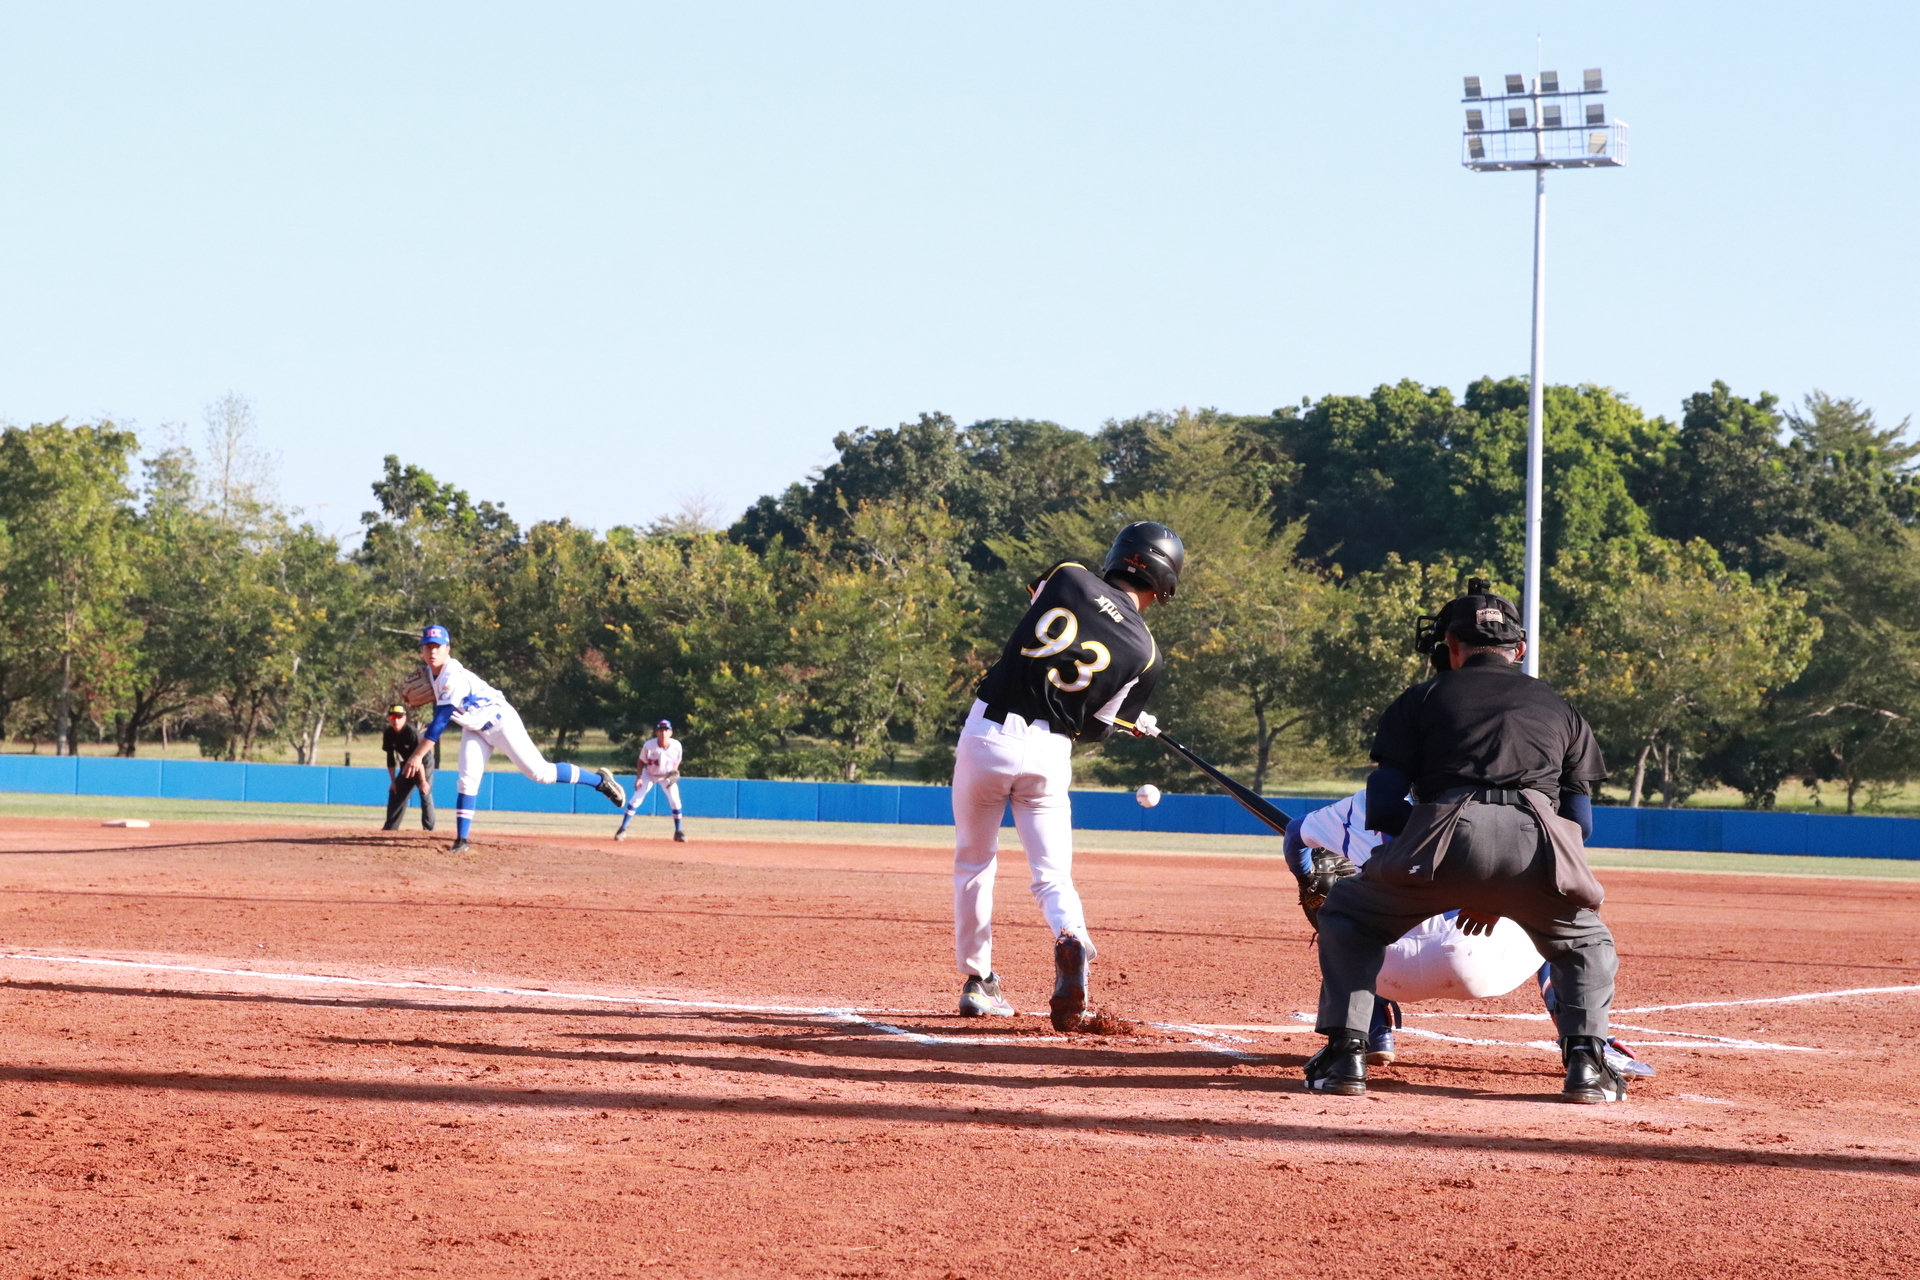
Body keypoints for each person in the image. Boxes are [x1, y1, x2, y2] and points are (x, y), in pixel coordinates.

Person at [1303, 581, 1630, 1103]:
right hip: (1538, 842)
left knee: (1347, 915)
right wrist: (1504, 883)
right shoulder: (1560, 707)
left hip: (1440, 837)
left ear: (1452, 648)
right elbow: (1580, 822)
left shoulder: (1421, 699)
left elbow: (1383, 807)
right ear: (1518, 650)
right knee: (1585, 942)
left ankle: (1346, 1057)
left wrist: (1439, 850)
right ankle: (1587, 1065)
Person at [952, 521, 1184, 1030]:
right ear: (1165, 582)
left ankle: (978, 982)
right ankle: (1071, 936)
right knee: (1052, 875)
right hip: (1050, 751)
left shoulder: (1068, 574)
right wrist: (1131, 723)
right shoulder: (1147, 655)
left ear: (1118, 555)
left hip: (987, 734)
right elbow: (1098, 728)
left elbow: (1045, 616)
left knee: (974, 862)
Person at [1288, 789, 1653, 1078]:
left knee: (1347, 918)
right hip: (1479, 959)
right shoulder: (1512, 801)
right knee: (1561, 922)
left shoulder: (1367, 800)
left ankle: (1367, 1029)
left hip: (1387, 969)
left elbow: (1294, 836)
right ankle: (1586, 1045)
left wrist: (1308, 880)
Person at [400, 625, 625, 852]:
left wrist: (417, 756)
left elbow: (439, 722)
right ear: (422, 651)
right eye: (428, 647)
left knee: (542, 773)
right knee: (467, 780)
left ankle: (600, 781)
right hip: (474, 728)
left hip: (500, 722)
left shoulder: (452, 676)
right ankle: (462, 840)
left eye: (438, 646)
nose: (433, 651)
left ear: (448, 648)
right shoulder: (430, 673)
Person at [614, 719, 686, 843]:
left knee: (675, 801)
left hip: (666, 776)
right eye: (661, 730)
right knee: (636, 799)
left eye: (666, 730)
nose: (663, 733)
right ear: (656, 732)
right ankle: (622, 829)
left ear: (671, 732)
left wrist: (675, 769)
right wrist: (639, 778)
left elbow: (678, 759)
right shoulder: (649, 745)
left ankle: (678, 832)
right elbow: (641, 761)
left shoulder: (676, 745)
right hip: (649, 774)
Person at [381, 704, 436, 831]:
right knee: (396, 791)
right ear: (389, 719)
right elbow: (390, 758)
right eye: (393, 717)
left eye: (399, 717)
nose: (396, 720)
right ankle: (390, 829)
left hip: (423, 763)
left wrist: (423, 781)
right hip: (408, 763)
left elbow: (419, 759)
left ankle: (428, 830)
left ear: (405, 718)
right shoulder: (389, 733)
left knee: (424, 792)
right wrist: (393, 781)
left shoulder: (411, 732)